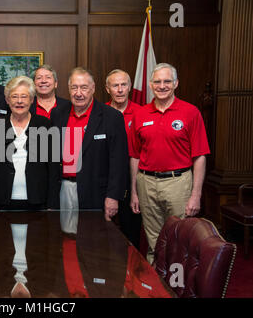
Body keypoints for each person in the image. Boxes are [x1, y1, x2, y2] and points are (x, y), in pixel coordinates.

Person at [50, 67, 128, 297]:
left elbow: (118, 160)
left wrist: (113, 196)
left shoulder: (111, 117)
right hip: (63, 187)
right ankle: (70, 282)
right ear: (68, 89)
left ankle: (93, 285)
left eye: (84, 87)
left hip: (96, 191)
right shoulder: (59, 114)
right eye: (74, 87)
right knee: (65, 238)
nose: (79, 92)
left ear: (94, 89)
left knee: (94, 241)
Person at [0, 76, 63, 297]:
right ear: (7, 100)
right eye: (15, 96)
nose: (19, 101)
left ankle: (27, 273)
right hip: (4, 203)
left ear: (32, 100)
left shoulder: (44, 125)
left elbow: (53, 169)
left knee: (37, 250)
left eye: (24, 96)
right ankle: (14, 274)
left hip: (37, 204)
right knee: (4, 249)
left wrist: (52, 205)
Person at [129, 63, 210, 264]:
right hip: (146, 183)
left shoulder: (190, 112)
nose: (162, 86)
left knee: (180, 239)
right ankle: (157, 285)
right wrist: (134, 191)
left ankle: (177, 287)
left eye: (167, 81)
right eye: (157, 81)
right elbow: (134, 156)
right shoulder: (140, 114)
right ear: (150, 84)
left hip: (178, 183)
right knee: (153, 240)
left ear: (176, 84)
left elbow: (200, 156)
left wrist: (196, 195)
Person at [105, 69, 142, 249]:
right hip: (106, 177)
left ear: (129, 88)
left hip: (131, 177)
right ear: (107, 89)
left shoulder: (141, 113)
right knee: (103, 227)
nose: (119, 89)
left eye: (123, 85)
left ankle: (132, 271)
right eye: (115, 85)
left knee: (131, 229)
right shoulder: (100, 113)